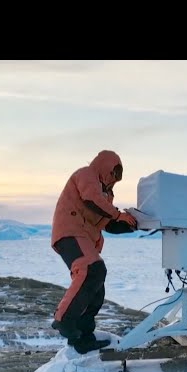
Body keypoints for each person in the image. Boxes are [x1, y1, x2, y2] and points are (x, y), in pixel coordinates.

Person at [50, 150, 137, 354]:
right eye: (114, 173)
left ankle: (82, 337)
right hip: (70, 231)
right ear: (106, 167)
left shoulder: (105, 194)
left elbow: (107, 222)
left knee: (96, 287)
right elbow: (91, 200)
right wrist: (118, 214)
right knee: (92, 269)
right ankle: (64, 319)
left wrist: (135, 224)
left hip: (82, 237)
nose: (115, 179)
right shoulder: (87, 175)